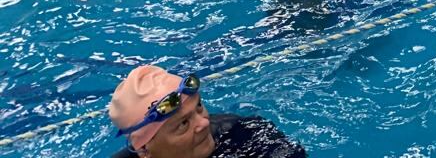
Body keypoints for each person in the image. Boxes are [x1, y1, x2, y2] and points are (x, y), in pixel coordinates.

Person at [108, 65, 306, 158]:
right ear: (143, 149)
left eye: (199, 107)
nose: (203, 123)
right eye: (184, 124)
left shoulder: (248, 136)